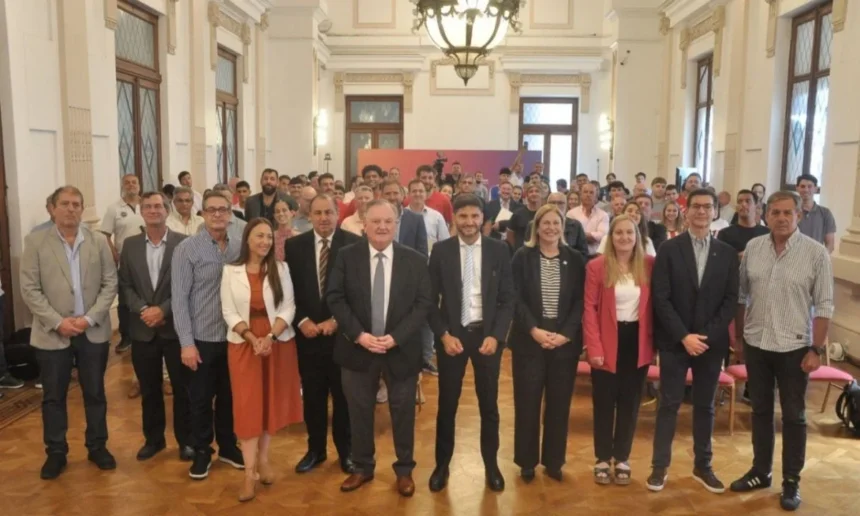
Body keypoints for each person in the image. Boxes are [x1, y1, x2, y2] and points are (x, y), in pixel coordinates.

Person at [729, 191, 834, 511]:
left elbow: (825, 305)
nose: (782, 218)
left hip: (794, 348)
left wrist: (816, 349)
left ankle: (791, 481)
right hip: (757, 344)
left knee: (793, 416)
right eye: (775, 212)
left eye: (788, 213)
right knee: (760, 412)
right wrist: (740, 339)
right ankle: (761, 471)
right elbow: (741, 296)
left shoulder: (816, 253)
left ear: (798, 216)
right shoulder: (754, 248)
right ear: (765, 215)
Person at [326, 200, 433, 497]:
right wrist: (358, 335)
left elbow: (424, 303)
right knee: (359, 411)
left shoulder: (415, 260)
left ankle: (404, 470)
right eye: (376, 221)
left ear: (397, 224)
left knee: (403, 413)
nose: (382, 226)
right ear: (364, 224)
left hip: (401, 350)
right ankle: (362, 467)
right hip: (357, 349)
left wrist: (398, 336)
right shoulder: (347, 256)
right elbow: (335, 297)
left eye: (388, 221)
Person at [20, 186, 118, 480]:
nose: (71, 209)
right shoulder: (35, 241)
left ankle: (97, 446)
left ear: (82, 209)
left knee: (95, 392)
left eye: (76, 204)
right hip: (53, 333)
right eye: (64, 204)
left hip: (92, 331)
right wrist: (57, 322)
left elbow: (110, 283)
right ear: (52, 208)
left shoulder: (97, 241)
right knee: (53, 396)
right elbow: (30, 289)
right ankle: (56, 452)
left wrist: (88, 318)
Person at [647, 188, 739, 494]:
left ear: (715, 212)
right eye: (696, 206)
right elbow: (661, 298)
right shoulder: (669, 249)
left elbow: (730, 301)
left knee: (705, 406)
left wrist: (705, 337)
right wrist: (684, 336)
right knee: (669, 404)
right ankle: (659, 467)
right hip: (676, 341)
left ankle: (703, 466)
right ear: (686, 212)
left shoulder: (727, 253)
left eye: (707, 207)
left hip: (710, 344)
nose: (701, 211)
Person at [427, 195, 515, 493]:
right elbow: (429, 300)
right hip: (452, 336)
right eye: (463, 216)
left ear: (483, 219)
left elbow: (508, 299)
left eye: (474, 216)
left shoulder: (498, 250)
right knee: (447, 405)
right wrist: (443, 335)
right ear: (454, 218)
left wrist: (496, 336)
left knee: (489, 405)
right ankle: (442, 466)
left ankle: (491, 465)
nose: (469, 222)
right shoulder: (441, 251)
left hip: (486, 337)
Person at [221, 218, 302, 502]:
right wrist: (252, 338)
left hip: (276, 342)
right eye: (259, 236)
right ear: (247, 239)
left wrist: (269, 337)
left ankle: (264, 459)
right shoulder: (230, 271)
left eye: (269, 236)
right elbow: (229, 311)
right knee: (247, 406)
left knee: (269, 403)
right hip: (244, 344)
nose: (265, 241)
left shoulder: (281, 269)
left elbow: (289, 307)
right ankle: (248, 473)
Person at [172, 191, 245, 480]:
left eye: (222, 209)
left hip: (234, 337)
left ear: (230, 214)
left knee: (229, 397)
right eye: (211, 209)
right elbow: (179, 300)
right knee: (200, 400)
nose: (217, 214)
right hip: (201, 338)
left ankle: (227, 446)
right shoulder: (187, 249)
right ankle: (203, 450)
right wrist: (186, 344)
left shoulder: (239, 246)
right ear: (202, 213)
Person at [509, 204, 586, 483]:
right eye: (546, 223)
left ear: (562, 227)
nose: (551, 228)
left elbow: (580, 300)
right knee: (527, 402)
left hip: (564, 343)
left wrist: (566, 333)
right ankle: (527, 461)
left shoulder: (575, 259)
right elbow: (515, 297)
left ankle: (554, 461)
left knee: (559, 404)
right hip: (529, 340)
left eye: (556, 223)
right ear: (537, 227)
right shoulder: (522, 256)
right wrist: (533, 329)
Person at [286, 195, 361, 475]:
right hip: (308, 338)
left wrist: (337, 320)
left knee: (344, 399)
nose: (323, 218)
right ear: (310, 215)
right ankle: (315, 450)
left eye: (328, 212)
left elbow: (359, 293)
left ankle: (347, 452)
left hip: (343, 338)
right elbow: (287, 291)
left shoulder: (354, 244)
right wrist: (301, 320)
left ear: (337, 213)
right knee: (313, 398)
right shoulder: (294, 246)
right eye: (317, 213)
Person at [117, 191, 192, 462]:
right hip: (143, 329)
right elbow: (125, 285)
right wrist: (144, 310)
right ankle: (154, 440)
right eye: (147, 206)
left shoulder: (183, 243)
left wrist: (163, 310)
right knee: (149, 390)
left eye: (158, 206)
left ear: (167, 210)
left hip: (175, 327)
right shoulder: (130, 245)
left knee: (182, 389)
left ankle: (186, 441)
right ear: (141, 211)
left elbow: (188, 284)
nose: (153, 210)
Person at [584, 215, 654, 486]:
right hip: (606, 340)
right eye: (619, 233)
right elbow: (589, 309)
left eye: (629, 232)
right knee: (604, 401)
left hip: (637, 341)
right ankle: (602, 458)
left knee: (630, 402)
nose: (624, 237)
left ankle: (622, 457)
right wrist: (594, 346)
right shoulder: (597, 266)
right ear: (610, 237)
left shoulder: (649, 265)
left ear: (637, 237)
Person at [101, 173, 145, 355]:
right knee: (125, 300)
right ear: (122, 186)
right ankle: (126, 336)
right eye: (127, 182)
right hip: (125, 262)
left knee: (146, 297)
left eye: (134, 182)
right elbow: (105, 235)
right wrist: (114, 254)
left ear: (139, 185)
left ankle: (145, 333)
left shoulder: (147, 205)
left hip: (147, 260)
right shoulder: (114, 209)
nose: (131, 185)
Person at [382, 179, 428, 258]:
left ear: (402, 195)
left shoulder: (416, 220)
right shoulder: (374, 219)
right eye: (387, 194)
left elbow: (422, 254)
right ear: (381, 196)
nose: (392, 197)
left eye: (395, 193)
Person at [717, 190, 769, 259]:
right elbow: (720, 259)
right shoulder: (725, 233)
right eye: (740, 201)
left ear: (756, 206)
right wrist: (737, 257)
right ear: (736, 207)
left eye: (748, 201)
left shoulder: (767, 233)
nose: (743, 204)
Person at [795, 174, 836, 253]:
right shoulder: (791, 212)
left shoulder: (825, 213)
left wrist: (822, 258)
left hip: (816, 257)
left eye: (809, 186)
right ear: (797, 188)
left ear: (816, 189)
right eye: (802, 186)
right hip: (794, 256)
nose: (806, 190)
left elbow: (830, 244)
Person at [568, 183, 610, 257]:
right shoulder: (571, 214)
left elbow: (602, 236)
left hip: (596, 256)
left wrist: (580, 235)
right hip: (576, 256)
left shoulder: (603, 215)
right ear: (580, 195)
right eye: (585, 192)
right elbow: (571, 237)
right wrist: (593, 237)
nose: (588, 195)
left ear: (596, 197)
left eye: (591, 192)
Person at [406, 179, 449, 251]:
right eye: (414, 191)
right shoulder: (401, 216)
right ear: (408, 194)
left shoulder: (436, 216)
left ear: (426, 194)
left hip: (431, 256)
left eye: (421, 191)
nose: (417, 194)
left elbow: (445, 242)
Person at [507, 183, 541, 250]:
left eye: (537, 191)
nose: (534, 194)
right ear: (527, 195)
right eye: (531, 192)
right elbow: (510, 233)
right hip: (521, 251)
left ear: (541, 194)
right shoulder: (518, 213)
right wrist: (515, 250)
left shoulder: (545, 213)